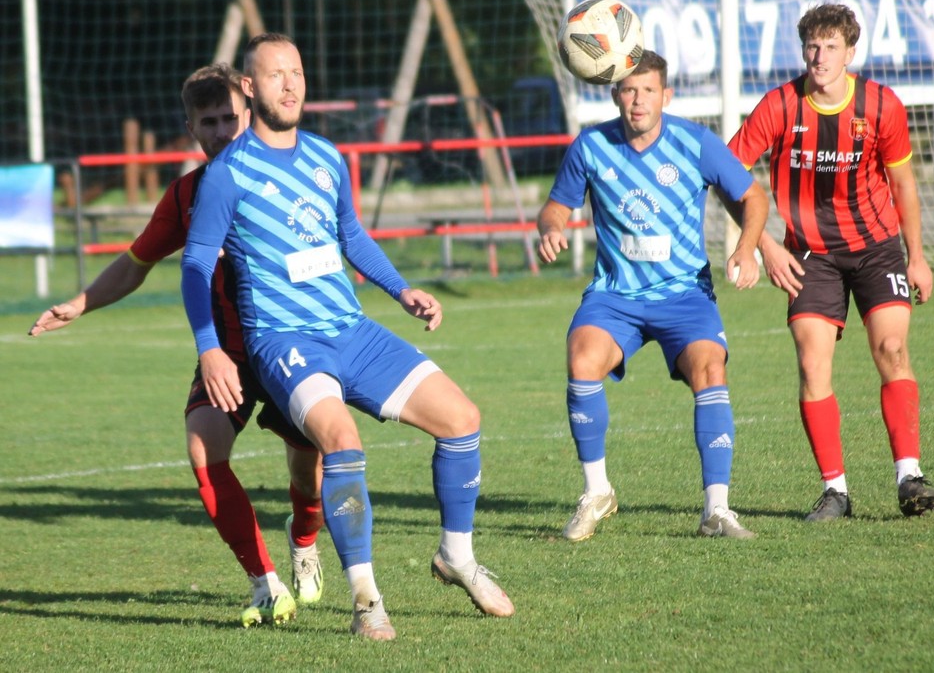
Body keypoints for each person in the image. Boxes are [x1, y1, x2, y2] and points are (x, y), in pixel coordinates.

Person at [180, 33, 514, 641]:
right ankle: (366, 599)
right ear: (249, 88)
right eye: (275, 75)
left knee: (462, 419)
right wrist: (209, 348)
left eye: (297, 72)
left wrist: (401, 289)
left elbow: (350, 235)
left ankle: (457, 558)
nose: (290, 84)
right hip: (283, 341)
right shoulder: (227, 175)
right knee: (340, 438)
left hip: (351, 329)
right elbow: (197, 266)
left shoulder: (327, 157)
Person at [28, 63, 325, 627]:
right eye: (207, 121)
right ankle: (267, 584)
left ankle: (304, 541)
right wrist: (81, 303)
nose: (220, 130)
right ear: (190, 127)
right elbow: (138, 262)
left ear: (249, 113)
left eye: (228, 118)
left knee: (307, 467)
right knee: (203, 451)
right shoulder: (188, 195)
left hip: (290, 340)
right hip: (226, 353)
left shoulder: (288, 179)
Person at [537, 50, 769, 542]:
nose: (637, 100)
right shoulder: (591, 146)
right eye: (628, 90)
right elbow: (555, 207)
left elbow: (753, 196)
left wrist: (748, 251)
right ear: (614, 93)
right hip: (615, 293)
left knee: (710, 368)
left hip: (684, 292)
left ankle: (717, 510)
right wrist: (552, 228)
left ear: (666, 95)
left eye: (647, 91)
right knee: (582, 360)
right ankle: (596, 492)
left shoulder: (695, 142)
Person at [727, 3, 934, 521]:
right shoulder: (778, 106)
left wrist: (918, 256)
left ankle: (908, 475)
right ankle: (836, 492)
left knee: (891, 347)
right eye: (811, 47)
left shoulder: (881, 105)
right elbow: (727, 174)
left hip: (877, 245)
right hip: (808, 253)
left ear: (850, 51)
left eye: (829, 47)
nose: (818, 57)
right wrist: (764, 245)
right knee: (811, 362)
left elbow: (903, 184)